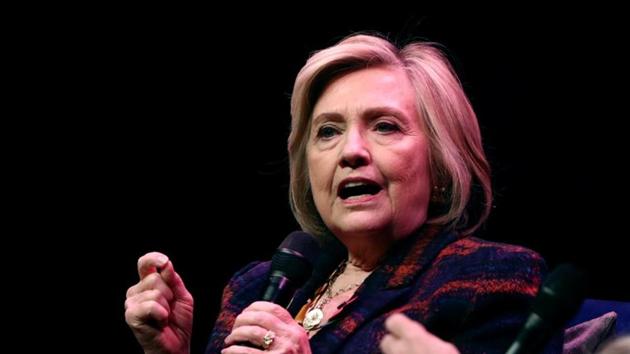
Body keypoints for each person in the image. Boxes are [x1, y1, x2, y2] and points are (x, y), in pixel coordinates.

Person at [125, 33, 562, 354]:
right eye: (328, 131)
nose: (351, 151)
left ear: (441, 164)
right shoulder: (255, 287)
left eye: (385, 126)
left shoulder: (487, 277)